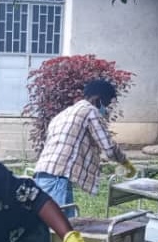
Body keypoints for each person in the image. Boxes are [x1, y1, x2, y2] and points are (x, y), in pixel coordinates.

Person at [33, 79, 134, 214]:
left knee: (46, 223)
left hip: (41, 176)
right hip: (58, 180)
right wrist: (126, 164)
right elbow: (109, 148)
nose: (106, 109)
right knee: (62, 224)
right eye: (106, 104)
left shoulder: (63, 114)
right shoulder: (90, 111)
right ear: (97, 99)